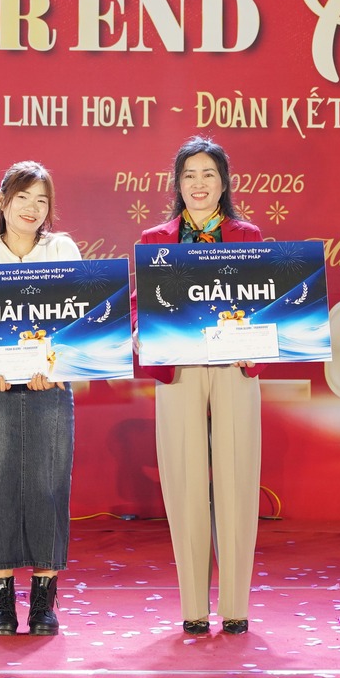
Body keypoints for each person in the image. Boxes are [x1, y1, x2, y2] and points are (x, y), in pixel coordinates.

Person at [137, 136, 264, 636]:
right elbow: (139, 302)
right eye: (189, 175)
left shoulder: (247, 235)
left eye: (209, 174)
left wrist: (259, 339)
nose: (199, 183)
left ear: (224, 182)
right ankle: (193, 605)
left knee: (236, 478)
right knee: (184, 479)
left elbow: (263, 299)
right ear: (177, 184)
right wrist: (139, 330)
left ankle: (235, 606)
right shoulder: (155, 239)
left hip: (234, 366)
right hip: (179, 368)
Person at [0, 161, 79, 636]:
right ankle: (1, 602)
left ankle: (44, 602)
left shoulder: (62, 249)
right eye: (23, 197)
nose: (32, 208)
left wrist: (60, 367)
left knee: (48, 487)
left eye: (41, 200)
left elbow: (78, 320)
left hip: (50, 388)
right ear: (3, 201)